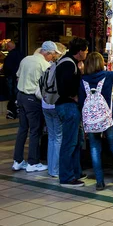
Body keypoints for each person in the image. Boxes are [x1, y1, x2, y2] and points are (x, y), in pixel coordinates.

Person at [79, 52, 113, 191]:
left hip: (91, 120)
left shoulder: (83, 80)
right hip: (107, 117)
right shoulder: (107, 76)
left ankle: (99, 181)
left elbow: (80, 101)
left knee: (95, 148)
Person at [12, 41, 60, 173]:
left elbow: (17, 76)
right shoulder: (44, 65)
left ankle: (18, 161)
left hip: (20, 96)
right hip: (33, 99)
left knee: (22, 129)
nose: (52, 58)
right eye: (52, 55)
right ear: (47, 53)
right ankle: (33, 162)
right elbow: (47, 84)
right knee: (35, 131)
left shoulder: (26, 59)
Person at [56, 37, 88, 187]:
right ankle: (67, 177)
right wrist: (75, 97)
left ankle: (75, 172)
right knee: (69, 143)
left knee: (75, 142)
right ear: (80, 52)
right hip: (68, 107)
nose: (87, 53)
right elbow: (66, 87)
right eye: (86, 50)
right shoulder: (68, 64)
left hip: (68, 107)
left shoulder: (69, 62)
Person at [43, 42, 67, 178]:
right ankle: (55, 169)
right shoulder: (58, 67)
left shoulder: (48, 67)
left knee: (52, 138)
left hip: (45, 104)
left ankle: (51, 168)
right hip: (54, 105)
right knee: (58, 138)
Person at [3, 41, 23, 119]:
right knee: (17, 94)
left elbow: (7, 68)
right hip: (19, 78)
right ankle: (17, 111)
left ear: (8, 47)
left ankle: (12, 112)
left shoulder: (10, 56)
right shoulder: (21, 54)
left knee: (12, 95)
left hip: (11, 77)